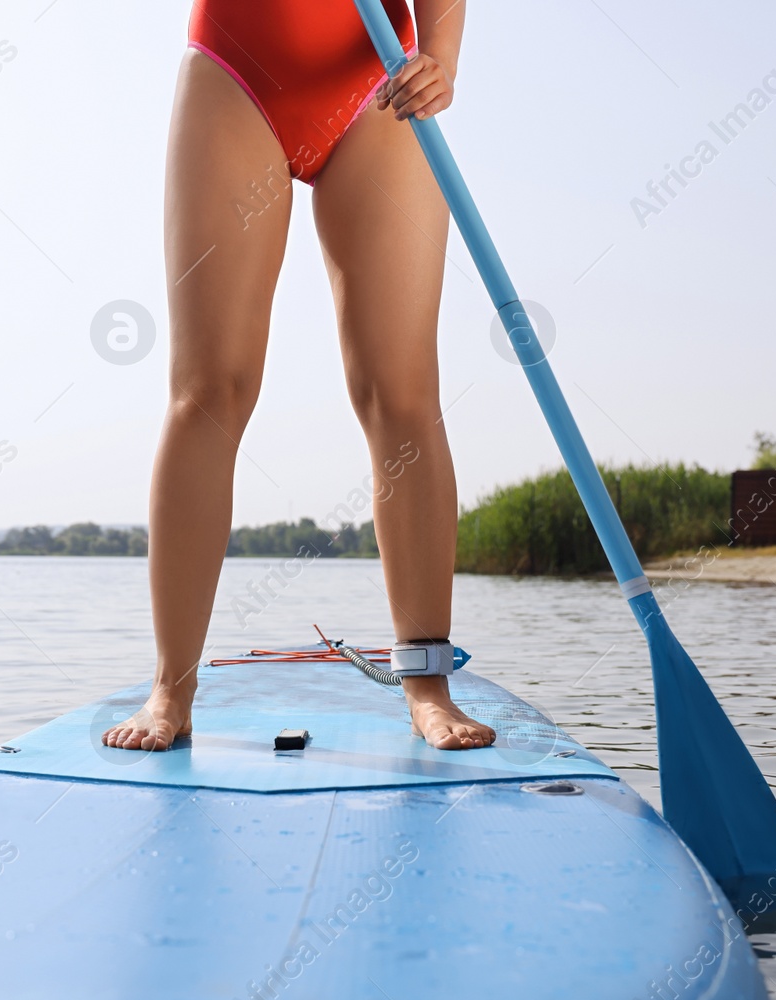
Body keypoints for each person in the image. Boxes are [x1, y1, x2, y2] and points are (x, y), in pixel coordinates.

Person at [103, 0, 496, 752]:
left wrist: (440, 55)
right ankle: (170, 689)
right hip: (238, 69)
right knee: (209, 389)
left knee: (401, 392)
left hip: (380, 82)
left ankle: (427, 685)